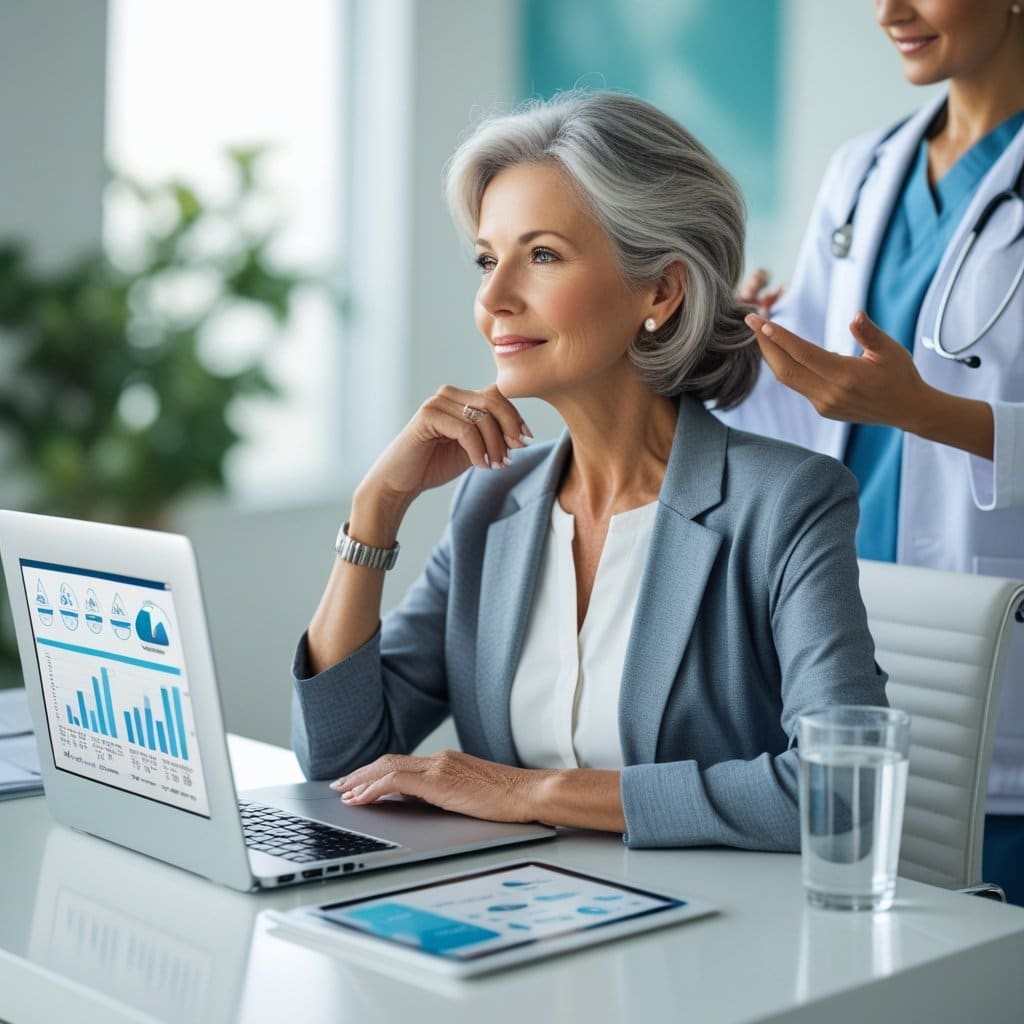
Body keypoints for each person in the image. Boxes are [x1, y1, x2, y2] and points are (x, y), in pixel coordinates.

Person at [291, 91, 887, 851]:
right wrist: (377, 506)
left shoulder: (785, 503)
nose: (493, 297)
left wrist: (532, 793)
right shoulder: (493, 499)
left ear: (660, 290)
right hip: (516, 924)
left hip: (712, 944)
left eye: (541, 255)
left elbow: (842, 787)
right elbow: (338, 760)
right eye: (486, 258)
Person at [725, 1, 1024, 897]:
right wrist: (737, 350)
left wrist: (927, 411)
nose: (889, 11)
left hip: (1000, 664)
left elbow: (896, 403)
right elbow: (806, 411)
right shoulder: (862, 170)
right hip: (848, 641)